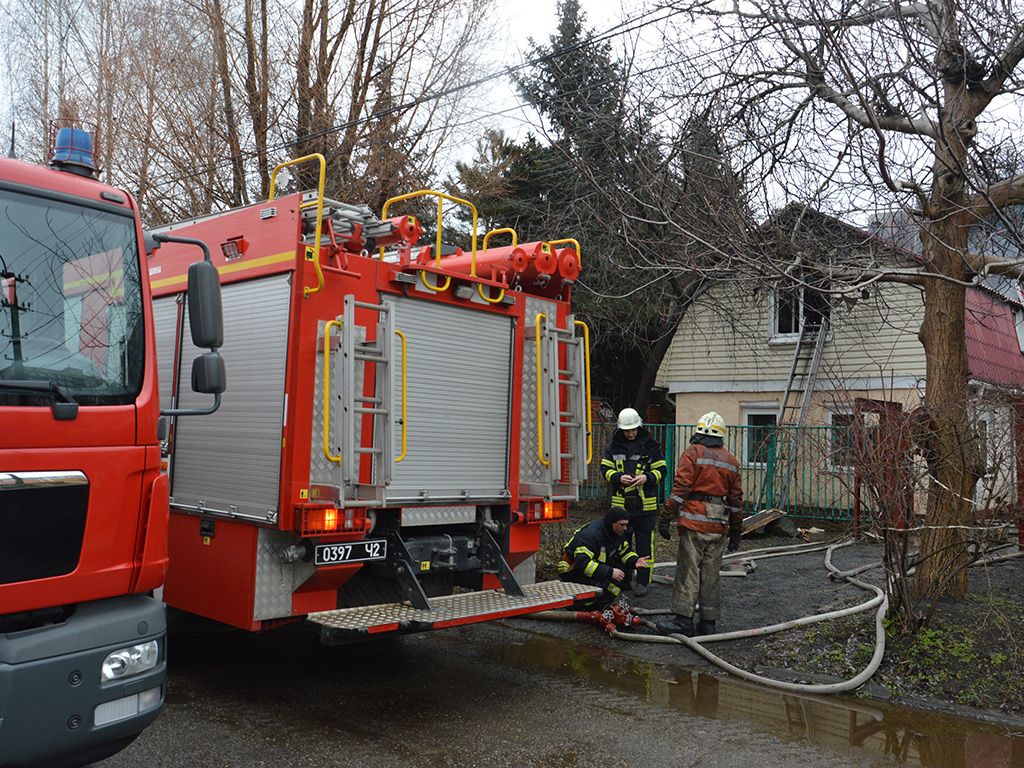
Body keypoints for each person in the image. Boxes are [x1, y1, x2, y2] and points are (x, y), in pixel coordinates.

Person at [656, 411, 743, 637]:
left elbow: (680, 490)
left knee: (688, 572)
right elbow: (735, 501)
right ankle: (708, 623)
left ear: (699, 431)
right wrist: (736, 532)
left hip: (694, 523)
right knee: (711, 575)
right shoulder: (731, 461)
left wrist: (665, 517)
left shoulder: (693, 453)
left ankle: (683, 621)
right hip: (719, 525)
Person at [600, 407, 666, 597]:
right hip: (621, 508)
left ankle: (642, 582)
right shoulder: (613, 446)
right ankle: (625, 580)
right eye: (627, 430)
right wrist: (618, 477)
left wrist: (647, 477)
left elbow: (662, 469)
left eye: (633, 430)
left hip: (646, 507)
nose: (630, 434)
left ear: (639, 427)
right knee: (622, 545)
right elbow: (605, 468)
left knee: (645, 546)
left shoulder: (651, 446)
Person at [557, 508, 649, 608]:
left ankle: (598, 606)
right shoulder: (591, 535)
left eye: (626, 525)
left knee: (617, 582)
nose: (625, 528)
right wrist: (610, 572)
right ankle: (580, 606)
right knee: (604, 585)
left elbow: (625, 551)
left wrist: (635, 561)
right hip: (573, 570)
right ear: (612, 523)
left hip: (593, 567)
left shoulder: (616, 533)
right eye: (622, 525)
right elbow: (582, 563)